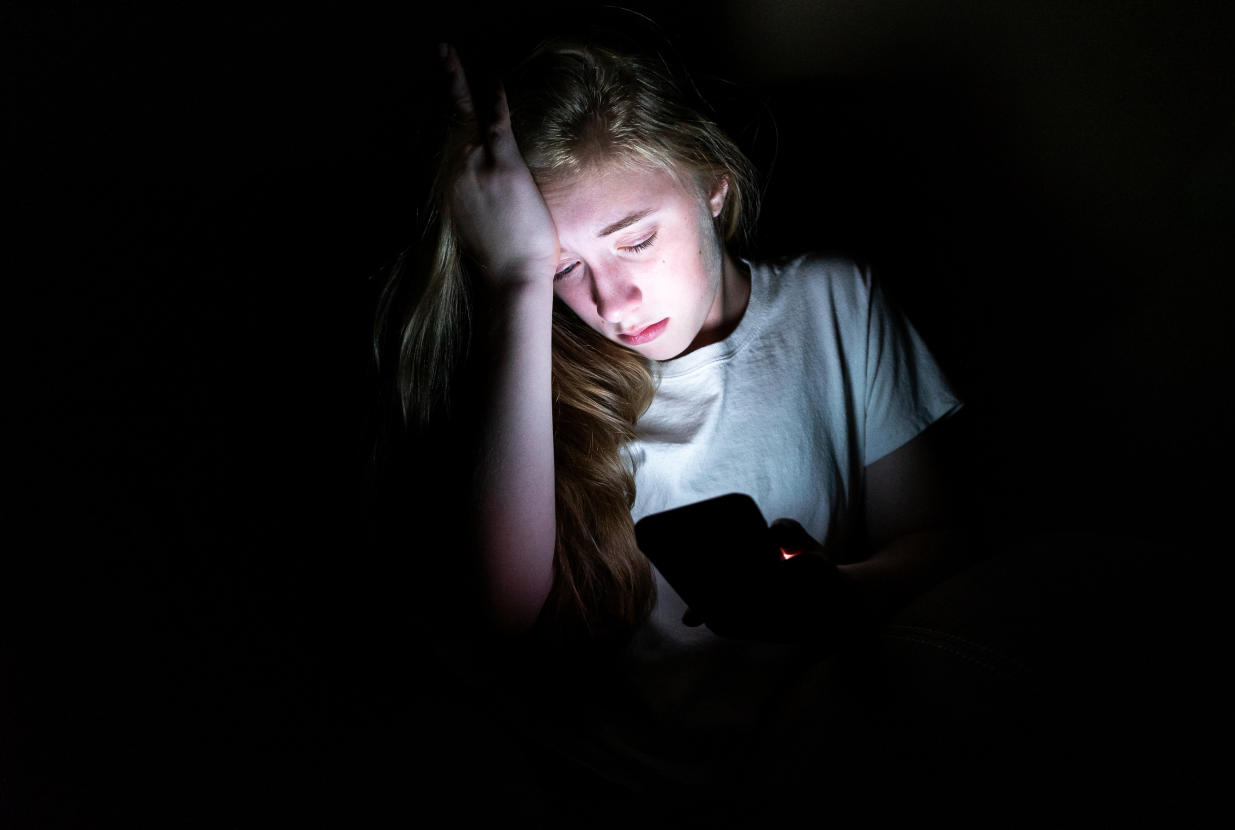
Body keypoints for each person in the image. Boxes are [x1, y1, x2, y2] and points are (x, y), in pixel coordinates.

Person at [373, 30, 967, 816]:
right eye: (565, 269)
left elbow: (934, 540)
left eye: (637, 240)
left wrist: (838, 592)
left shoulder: (836, 302)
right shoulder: (540, 374)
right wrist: (517, 281)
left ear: (712, 187)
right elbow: (505, 611)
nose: (612, 303)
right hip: (619, 781)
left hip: (812, 756)